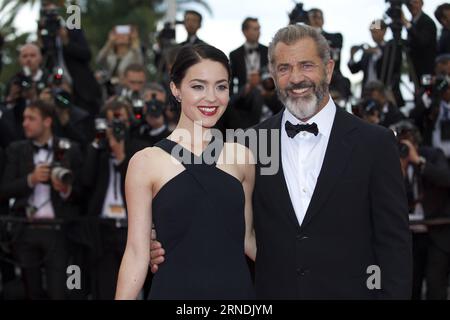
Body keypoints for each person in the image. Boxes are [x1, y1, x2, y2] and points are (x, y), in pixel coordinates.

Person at [151, 24, 412, 299]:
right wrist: (158, 239)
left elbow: (394, 242)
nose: (296, 78)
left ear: (329, 69)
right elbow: (209, 213)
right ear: (273, 76)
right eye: (284, 68)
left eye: (307, 65)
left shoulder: (375, 142)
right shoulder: (248, 144)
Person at [115, 44, 256, 300]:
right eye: (198, 86)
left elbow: (247, 239)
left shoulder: (242, 157)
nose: (211, 97)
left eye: (221, 86)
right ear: (176, 89)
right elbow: (136, 252)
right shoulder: (145, 162)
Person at [0, 100, 83, 299]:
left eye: (31, 119)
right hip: (26, 230)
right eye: (24, 119)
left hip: (58, 231)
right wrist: (31, 179)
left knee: (60, 292)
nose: (24, 123)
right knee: (31, 292)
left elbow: (83, 193)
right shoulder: (16, 150)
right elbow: (4, 190)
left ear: (47, 121)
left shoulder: (70, 148)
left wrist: (65, 189)